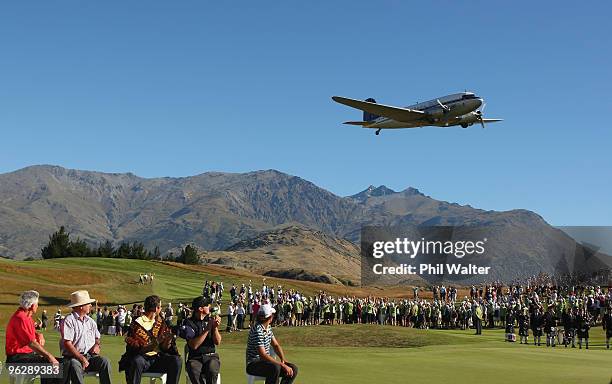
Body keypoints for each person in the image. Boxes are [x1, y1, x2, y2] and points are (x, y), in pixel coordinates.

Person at [119, 295, 182, 384]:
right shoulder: (137, 324)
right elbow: (136, 349)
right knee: (137, 361)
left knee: (176, 361)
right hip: (142, 360)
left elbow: (165, 348)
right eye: (160, 307)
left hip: (158, 358)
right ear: (156, 308)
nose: (161, 309)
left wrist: (169, 339)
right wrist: (155, 343)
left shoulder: (161, 322)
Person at [5, 290, 60, 384]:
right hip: (16, 360)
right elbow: (31, 343)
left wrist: (39, 334)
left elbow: (30, 335)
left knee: (63, 363)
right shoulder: (21, 318)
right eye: (37, 304)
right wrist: (49, 356)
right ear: (32, 305)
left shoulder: (27, 317)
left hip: (25, 357)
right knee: (49, 365)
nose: (38, 306)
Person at [60, 290, 112, 384]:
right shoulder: (69, 320)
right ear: (81, 306)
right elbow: (67, 343)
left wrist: (97, 345)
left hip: (90, 357)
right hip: (73, 358)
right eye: (88, 304)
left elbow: (97, 338)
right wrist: (81, 358)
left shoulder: (91, 321)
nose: (91, 306)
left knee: (105, 361)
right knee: (74, 364)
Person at [246, 304, 298, 384]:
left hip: (265, 363)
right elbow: (263, 354)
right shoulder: (257, 330)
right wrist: (282, 365)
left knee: (293, 369)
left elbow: (276, 345)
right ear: (269, 318)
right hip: (253, 364)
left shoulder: (268, 328)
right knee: (275, 368)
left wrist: (283, 360)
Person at [183, 296, 222, 384]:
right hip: (195, 358)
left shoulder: (210, 319)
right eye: (207, 305)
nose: (209, 306)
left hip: (211, 356)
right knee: (193, 368)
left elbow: (217, 342)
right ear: (200, 308)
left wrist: (215, 328)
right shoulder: (189, 323)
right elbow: (194, 345)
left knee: (212, 368)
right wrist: (208, 328)